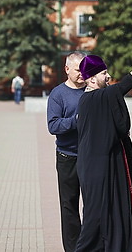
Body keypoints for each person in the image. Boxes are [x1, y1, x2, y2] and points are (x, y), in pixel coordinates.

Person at [75, 50, 132, 252]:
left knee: (116, 209)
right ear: (92, 78)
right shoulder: (92, 99)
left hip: (108, 162)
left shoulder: (98, 96)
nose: (108, 76)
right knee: (95, 216)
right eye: (104, 73)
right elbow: (123, 87)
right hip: (97, 168)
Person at [47, 51, 87, 252]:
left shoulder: (92, 90)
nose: (82, 74)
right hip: (67, 157)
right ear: (67, 69)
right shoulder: (58, 94)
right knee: (69, 206)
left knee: (92, 204)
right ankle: (72, 248)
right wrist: (76, 121)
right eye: (78, 70)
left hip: (90, 158)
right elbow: (53, 126)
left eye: (85, 69)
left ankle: (91, 245)